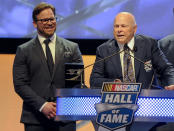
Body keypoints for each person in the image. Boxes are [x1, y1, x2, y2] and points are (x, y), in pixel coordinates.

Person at [90, 12, 174, 131]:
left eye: (123, 26)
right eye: (116, 26)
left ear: (134, 29)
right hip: (116, 110)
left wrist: (172, 83)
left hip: (145, 107)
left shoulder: (148, 44)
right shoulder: (104, 50)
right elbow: (94, 80)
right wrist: (114, 84)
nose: (119, 30)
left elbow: (166, 68)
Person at [13, 2, 83, 131]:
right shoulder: (23, 50)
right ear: (34, 23)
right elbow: (20, 85)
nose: (50, 23)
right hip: (35, 119)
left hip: (65, 118)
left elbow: (76, 83)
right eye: (44, 20)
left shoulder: (72, 48)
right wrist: (42, 105)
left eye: (52, 19)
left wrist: (60, 106)